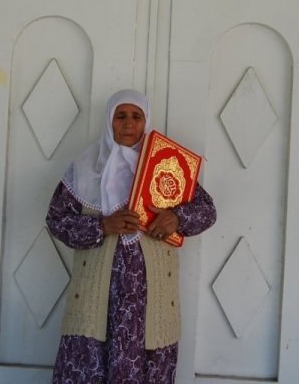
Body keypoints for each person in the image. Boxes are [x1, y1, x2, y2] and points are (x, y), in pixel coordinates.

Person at [46, 89, 216, 383]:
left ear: (146, 121)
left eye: (137, 116)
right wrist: (102, 226)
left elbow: (207, 210)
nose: (128, 123)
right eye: (120, 116)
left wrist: (177, 217)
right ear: (109, 121)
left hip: (150, 307)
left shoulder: (166, 167)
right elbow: (57, 220)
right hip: (96, 305)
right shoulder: (84, 170)